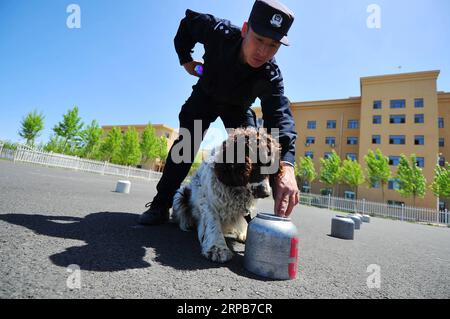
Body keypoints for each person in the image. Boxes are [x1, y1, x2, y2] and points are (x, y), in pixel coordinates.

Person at [139, 0, 299, 225]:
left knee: (257, 150)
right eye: (259, 39)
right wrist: (185, 59)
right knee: (186, 145)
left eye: (273, 45)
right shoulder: (219, 32)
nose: (263, 51)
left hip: (237, 108)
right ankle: (160, 204)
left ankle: (244, 214)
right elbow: (188, 23)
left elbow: (279, 119)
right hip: (206, 96)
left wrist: (286, 169)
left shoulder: (270, 75)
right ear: (245, 30)